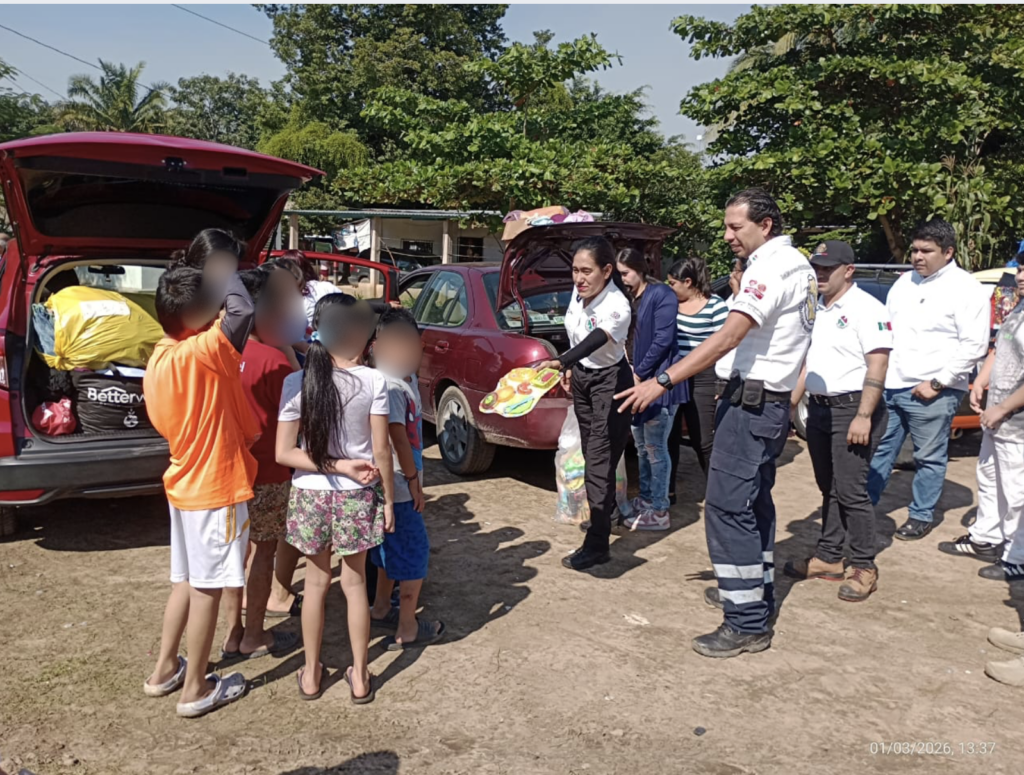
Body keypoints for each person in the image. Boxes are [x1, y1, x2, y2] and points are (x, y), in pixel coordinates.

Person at [617, 188, 816, 658]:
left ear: (765, 225)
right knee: (753, 503)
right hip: (766, 401)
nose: (727, 235)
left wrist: (662, 381)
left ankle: (746, 622)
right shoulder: (799, 265)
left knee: (727, 508)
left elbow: (729, 336)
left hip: (752, 404)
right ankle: (751, 595)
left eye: (735, 226)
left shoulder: (771, 267)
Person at [142, 235, 256, 717]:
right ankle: (195, 689)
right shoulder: (203, 352)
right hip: (217, 488)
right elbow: (243, 310)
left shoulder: (161, 354)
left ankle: (165, 669)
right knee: (209, 587)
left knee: (186, 582)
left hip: (184, 484)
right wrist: (222, 269)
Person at [276, 293, 394, 703]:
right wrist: (388, 499)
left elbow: (284, 453)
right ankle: (360, 675)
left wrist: (332, 465)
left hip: (309, 494)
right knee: (355, 583)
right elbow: (382, 450)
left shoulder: (296, 382)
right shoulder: (374, 381)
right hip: (357, 495)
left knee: (315, 583)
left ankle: (311, 673)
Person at [867, 218, 990, 541]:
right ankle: (862, 508)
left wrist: (937, 383)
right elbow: (888, 330)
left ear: (948, 252)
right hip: (893, 385)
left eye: (926, 251)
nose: (917, 257)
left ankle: (920, 515)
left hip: (935, 391)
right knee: (880, 450)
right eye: (914, 250)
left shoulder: (966, 289)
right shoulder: (904, 283)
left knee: (928, 457)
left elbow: (974, 345)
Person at [784, 241, 892, 602]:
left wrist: (863, 415)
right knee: (828, 486)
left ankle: (864, 565)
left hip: (853, 408)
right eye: (816, 267)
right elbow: (809, 363)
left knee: (850, 490)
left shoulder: (867, 309)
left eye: (828, 268)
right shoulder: (817, 308)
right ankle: (829, 556)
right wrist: (791, 403)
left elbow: (878, 365)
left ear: (848, 270)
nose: (820, 274)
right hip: (819, 409)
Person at [214, 266, 306, 661]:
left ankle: (232, 632)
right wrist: (286, 348)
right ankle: (253, 634)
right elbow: (307, 406)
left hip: (225, 474)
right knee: (262, 553)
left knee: (234, 555)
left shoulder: (214, 354)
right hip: (268, 473)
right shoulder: (274, 362)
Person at [537, 236, 633, 571]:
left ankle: (597, 544)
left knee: (599, 462)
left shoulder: (617, 304)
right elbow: (576, 332)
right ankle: (606, 513)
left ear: (606, 271)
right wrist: (572, 369)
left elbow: (596, 338)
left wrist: (562, 360)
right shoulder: (578, 295)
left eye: (586, 271)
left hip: (610, 382)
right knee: (592, 454)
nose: (579, 278)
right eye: (575, 270)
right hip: (583, 378)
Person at [939, 263, 1024, 583]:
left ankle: (1018, 556)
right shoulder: (1018, 309)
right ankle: (986, 537)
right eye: (1021, 269)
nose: (1020, 276)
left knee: (1017, 492)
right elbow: (998, 349)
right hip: (996, 418)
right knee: (989, 478)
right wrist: (980, 383)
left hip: (1016, 424)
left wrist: (1002, 408)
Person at [368, 307, 445, 648]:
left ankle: (381, 606)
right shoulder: (390, 388)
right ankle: (407, 626)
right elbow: (397, 438)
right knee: (414, 554)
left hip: (393, 486)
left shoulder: (397, 381)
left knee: (387, 550)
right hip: (399, 486)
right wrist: (414, 481)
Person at [616, 248, 687, 529]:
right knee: (642, 448)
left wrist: (639, 373)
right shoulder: (629, 298)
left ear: (640, 269)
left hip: (659, 384)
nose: (622, 279)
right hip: (636, 384)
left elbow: (663, 340)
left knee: (655, 448)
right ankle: (646, 499)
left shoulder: (661, 294)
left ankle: (659, 510)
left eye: (625, 273)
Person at [666, 256, 729, 499]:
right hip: (673, 375)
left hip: (703, 377)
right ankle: (667, 492)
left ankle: (718, 493)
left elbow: (725, 345)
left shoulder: (715, 305)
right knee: (669, 437)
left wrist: (720, 383)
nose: (670, 288)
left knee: (702, 439)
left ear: (688, 282)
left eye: (673, 283)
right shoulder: (671, 304)